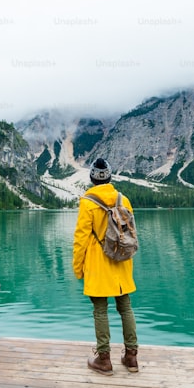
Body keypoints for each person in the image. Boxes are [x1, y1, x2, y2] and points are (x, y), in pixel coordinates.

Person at [73, 158, 139, 375]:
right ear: (110, 177)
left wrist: (78, 267)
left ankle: (104, 359)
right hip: (122, 262)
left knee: (100, 310)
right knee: (125, 308)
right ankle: (131, 357)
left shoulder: (87, 202)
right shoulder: (124, 200)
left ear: (92, 178)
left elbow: (81, 238)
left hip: (99, 264)